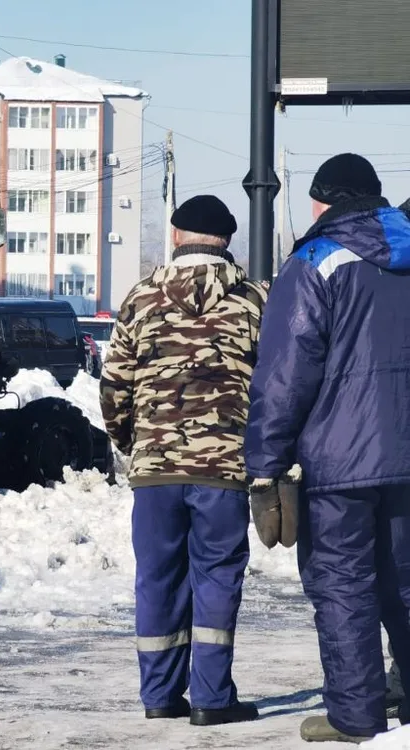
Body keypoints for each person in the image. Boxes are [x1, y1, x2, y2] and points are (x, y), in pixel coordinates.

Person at [245, 153, 410, 743]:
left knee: (343, 586)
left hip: (339, 464)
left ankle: (356, 719)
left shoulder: (315, 261)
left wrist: (263, 464)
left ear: (325, 202)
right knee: (406, 585)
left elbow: (285, 374)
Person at [100, 194, 266, 726]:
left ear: (175, 237)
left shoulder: (140, 298)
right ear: (227, 241)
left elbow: (114, 385)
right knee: (217, 576)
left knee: (157, 578)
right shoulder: (254, 301)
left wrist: (133, 443)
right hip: (224, 470)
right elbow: (276, 385)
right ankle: (213, 700)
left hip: (155, 471)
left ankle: (159, 696)